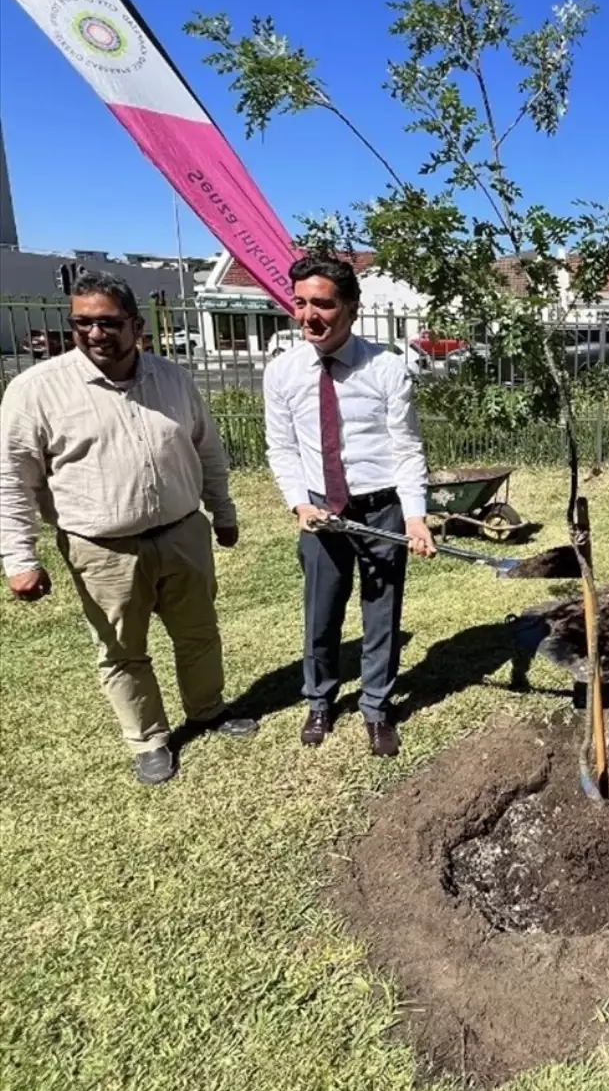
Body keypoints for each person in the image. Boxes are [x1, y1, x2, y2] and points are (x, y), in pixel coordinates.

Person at [0, 272, 257, 785]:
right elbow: (11, 479)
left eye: (109, 322)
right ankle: (149, 739)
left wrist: (222, 512)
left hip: (184, 533)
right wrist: (20, 559)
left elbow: (206, 450)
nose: (95, 333)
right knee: (121, 651)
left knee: (199, 634)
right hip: (101, 549)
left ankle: (207, 710)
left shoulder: (173, 379)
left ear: (137, 325)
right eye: (82, 322)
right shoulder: (36, 391)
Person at [263, 255, 435, 757]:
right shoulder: (282, 372)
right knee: (321, 613)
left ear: (352, 308)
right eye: (299, 303)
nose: (308, 315)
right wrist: (299, 504)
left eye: (322, 303)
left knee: (382, 613)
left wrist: (415, 515)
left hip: (380, 509)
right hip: (319, 512)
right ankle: (320, 700)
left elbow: (407, 448)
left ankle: (377, 709)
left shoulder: (385, 368)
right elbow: (282, 448)